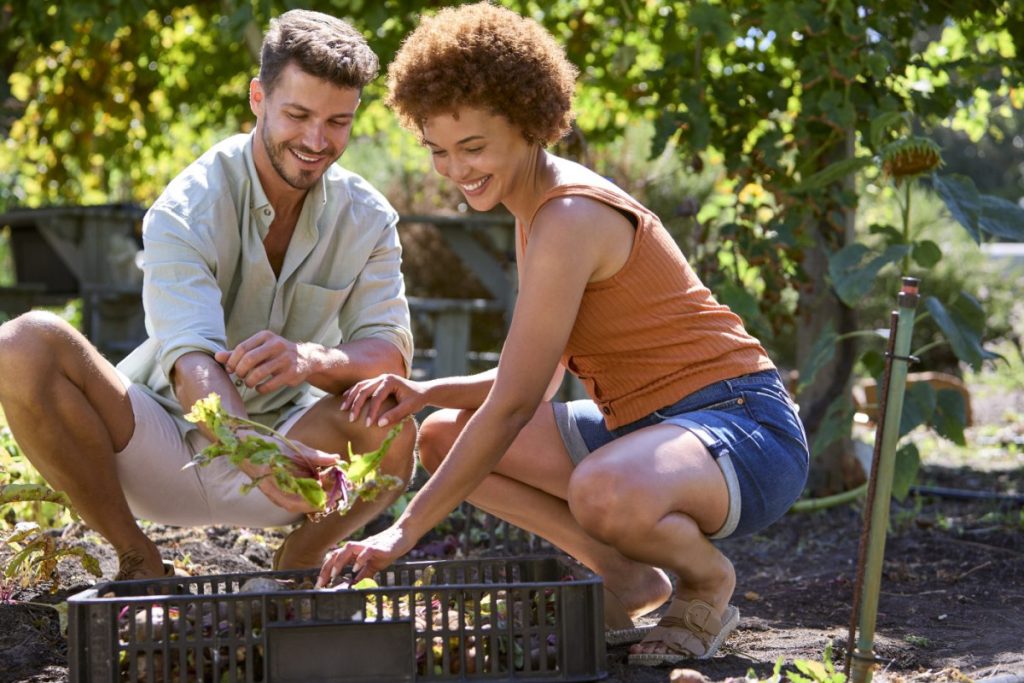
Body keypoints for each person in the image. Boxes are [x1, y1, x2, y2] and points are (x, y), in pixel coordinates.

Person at [317, 2, 809, 666]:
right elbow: (535, 381)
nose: (456, 170)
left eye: (473, 146)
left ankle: (705, 582)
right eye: (438, 150)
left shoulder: (569, 215)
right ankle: (626, 577)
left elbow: (518, 403)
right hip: (646, 430)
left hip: (745, 429)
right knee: (443, 434)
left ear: (526, 123)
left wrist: (401, 532)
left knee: (602, 486)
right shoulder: (533, 209)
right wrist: (426, 392)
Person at [0, 9, 416, 582]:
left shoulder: (368, 217)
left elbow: (389, 357)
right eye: (297, 114)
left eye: (337, 122)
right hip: (155, 449)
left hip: (296, 459)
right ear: (258, 98)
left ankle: (299, 558)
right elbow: (191, 358)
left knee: (392, 420)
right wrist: (248, 448)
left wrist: (311, 360)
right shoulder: (187, 206)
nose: (317, 141)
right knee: (22, 342)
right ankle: (138, 560)